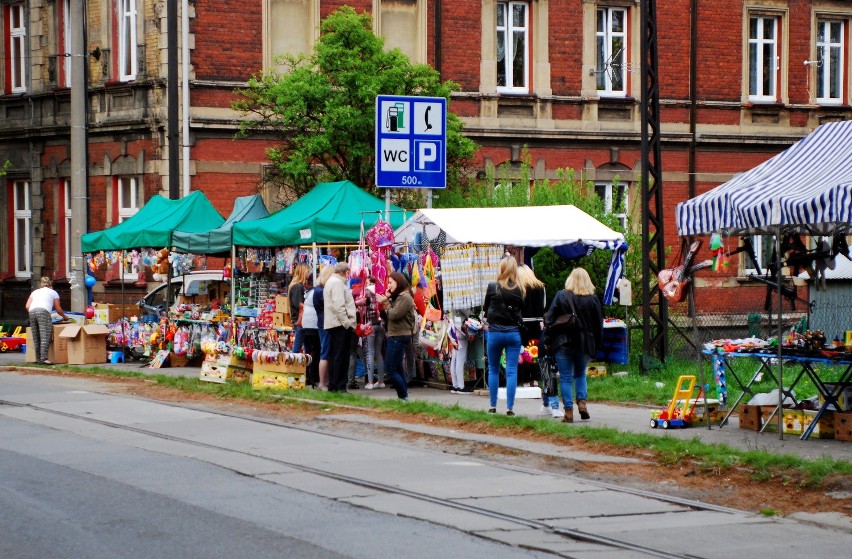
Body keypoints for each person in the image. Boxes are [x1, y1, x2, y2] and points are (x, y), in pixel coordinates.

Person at [543, 267, 603, 423]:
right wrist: (597, 345)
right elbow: (598, 325)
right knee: (580, 374)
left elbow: (549, 319)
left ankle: (568, 411)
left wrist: (548, 338)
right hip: (584, 343)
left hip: (563, 343)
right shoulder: (593, 299)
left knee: (565, 378)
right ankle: (582, 404)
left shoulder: (561, 296)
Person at [482, 255, 525, 416]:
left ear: (501, 268)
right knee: (512, 370)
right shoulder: (520, 288)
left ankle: (493, 406)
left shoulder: (492, 286)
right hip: (513, 333)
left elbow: (486, 309)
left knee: (493, 369)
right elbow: (521, 309)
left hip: (495, 333)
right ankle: (510, 408)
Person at [518, 264, 560, 418]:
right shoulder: (540, 287)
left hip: (523, 323)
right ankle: (536, 379)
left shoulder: (519, 287)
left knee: (523, 352)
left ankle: (526, 381)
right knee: (536, 352)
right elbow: (543, 307)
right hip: (536, 323)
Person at [376, 271, 415, 401]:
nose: (389, 285)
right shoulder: (399, 296)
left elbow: (394, 314)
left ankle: (403, 396)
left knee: (390, 369)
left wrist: (386, 302)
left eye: (391, 282)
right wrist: (387, 300)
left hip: (399, 335)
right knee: (398, 367)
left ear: (398, 282)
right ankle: (403, 397)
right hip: (396, 334)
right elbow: (387, 315)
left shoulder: (405, 297)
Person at [324, 262, 356, 392]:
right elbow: (339, 305)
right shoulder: (337, 283)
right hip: (340, 324)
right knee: (341, 356)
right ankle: (340, 385)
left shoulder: (331, 281)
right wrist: (347, 323)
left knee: (335, 355)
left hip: (334, 323)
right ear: (345, 272)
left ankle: (334, 384)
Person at [25, 276, 69, 365]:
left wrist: (34, 311)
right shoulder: (53, 293)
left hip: (32, 311)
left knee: (36, 335)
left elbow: (27, 306)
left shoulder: (35, 292)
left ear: (41, 284)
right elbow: (58, 309)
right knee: (45, 335)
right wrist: (65, 317)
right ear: (50, 284)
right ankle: (43, 359)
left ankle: (38, 359)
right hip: (43, 312)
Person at [358, 276, 386, 389]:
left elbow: (362, 302)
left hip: (371, 325)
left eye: (367, 282)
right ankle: (381, 381)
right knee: (378, 353)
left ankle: (370, 382)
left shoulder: (368, 292)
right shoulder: (380, 292)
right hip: (380, 325)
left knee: (370, 352)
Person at [313, 265, 335, 391]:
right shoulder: (322, 291)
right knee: (325, 352)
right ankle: (322, 382)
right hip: (325, 323)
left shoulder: (318, 290)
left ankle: (325, 381)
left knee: (325, 351)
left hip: (322, 323)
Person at [288, 263, 311, 353]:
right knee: (297, 348)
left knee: (306, 347)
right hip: (300, 320)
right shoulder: (298, 286)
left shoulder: (296, 286)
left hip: (300, 320)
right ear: (303, 272)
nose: (309, 274)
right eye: (307, 271)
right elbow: (298, 304)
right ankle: (292, 365)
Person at [301, 284, 320, 388]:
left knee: (309, 351)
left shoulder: (308, 293)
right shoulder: (317, 292)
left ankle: (308, 376)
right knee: (316, 351)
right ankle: (313, 378)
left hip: (306, 324)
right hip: (314, 325)